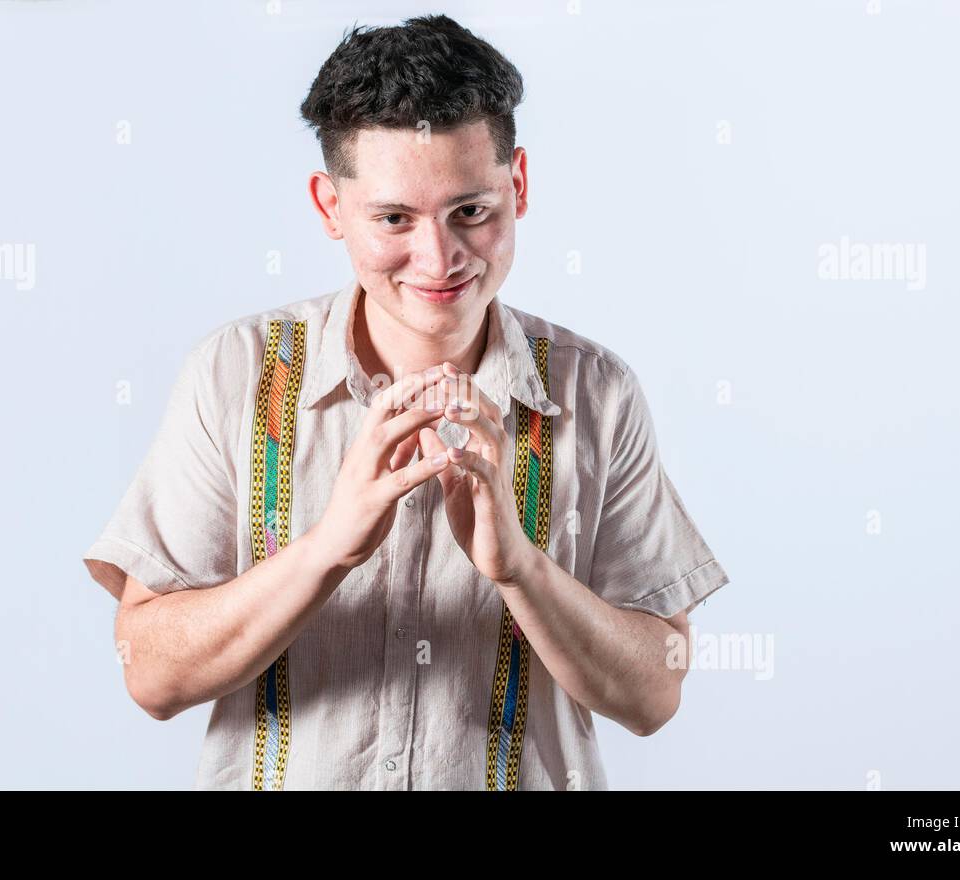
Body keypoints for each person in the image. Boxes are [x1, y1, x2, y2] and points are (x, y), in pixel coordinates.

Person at [83, 13, 729, 790]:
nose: (439, 258)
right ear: (330, 207)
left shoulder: (595, 392)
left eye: (471, 212)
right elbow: (150, 673)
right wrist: (330, 549)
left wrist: (519, 568)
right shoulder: (236, 374)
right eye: (394, 218)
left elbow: (656, 692)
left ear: (516, 186)